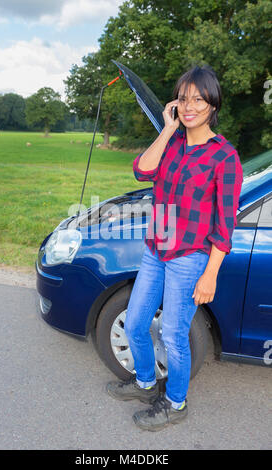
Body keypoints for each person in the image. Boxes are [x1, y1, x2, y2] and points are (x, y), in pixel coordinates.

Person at [106, 64, 244, 432]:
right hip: (156, 250)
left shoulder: (224, 157)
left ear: (212, 104)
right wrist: (168, 129)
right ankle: (145, 382)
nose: (189, 106)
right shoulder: (173, 143)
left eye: (198, 99)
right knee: (135, 324)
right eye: (183, 98)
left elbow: (224, 224)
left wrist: (210, 274)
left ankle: (175, 402)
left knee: (172, 334)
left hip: (189, 258)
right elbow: (141, 170)